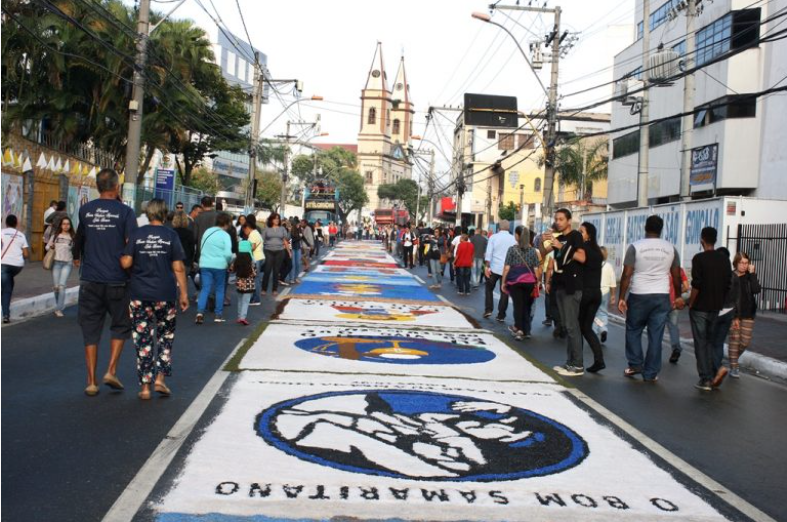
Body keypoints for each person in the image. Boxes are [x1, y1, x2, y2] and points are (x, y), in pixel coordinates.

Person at [72, 168, 137, 396]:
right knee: (120, 325)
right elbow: (132, 243)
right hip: (118, 279)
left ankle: (91, 381)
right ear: (116, 187)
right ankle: (111, 370)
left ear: (98, 186)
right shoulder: (126, 212)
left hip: (90, 279)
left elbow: (80, 238)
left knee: (90, 328)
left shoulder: (85, 211)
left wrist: (77, 256)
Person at [120, 199, 188, 400]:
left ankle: (145, 388)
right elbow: (178, 267)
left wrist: (121, 255)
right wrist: (183, 293)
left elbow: (126, 263)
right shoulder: (170, 235)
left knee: (143, 340)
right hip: (165, 294)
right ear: (165, 213)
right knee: (165, 337)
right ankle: (160, 379)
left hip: (139, 295)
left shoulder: (137, 235)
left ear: (148, 214)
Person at [617, 215, 682, 383]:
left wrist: (621, 298)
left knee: (633, 329)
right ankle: (651, 372)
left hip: (639, 294)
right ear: (661, 229)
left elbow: (626, 275)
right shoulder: (671, 249)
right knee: (656, 335)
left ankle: (635, 364)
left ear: (645, 227)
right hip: (662, 295)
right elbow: (676, 277)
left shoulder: (635, 247)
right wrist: (679, 296)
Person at [541, 209, 586, 377]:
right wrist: (543, 241)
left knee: (572, 326)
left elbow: (582, 258)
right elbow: (543, 254)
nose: (558, 222)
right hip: (559, 285)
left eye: (561, 219)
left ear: (568, 220)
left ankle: (578, 364)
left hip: (572, 286)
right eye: (556, 219)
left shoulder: (575, 236)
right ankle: (570, 362)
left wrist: (561, 246)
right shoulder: (558, 238)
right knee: (567, 325)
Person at [688, 227, 732, 391]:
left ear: (702, 240)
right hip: (716, 307)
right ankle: (716, 369)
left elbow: (696, 284)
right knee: (712, 342)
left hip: (700, 307)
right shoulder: (724, 260)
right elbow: (728, 283)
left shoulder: (698, 259)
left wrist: (691, 302)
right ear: (715, 239)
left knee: (701, 343)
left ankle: (706, 378)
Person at [501, 226, 541, 340]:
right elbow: (536, 269)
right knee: (527, 306)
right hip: (529, 282)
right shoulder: (533, 251)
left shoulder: (512, 250)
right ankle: (526, 330)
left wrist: (504, 282)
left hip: (515, 282)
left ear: (518, 236)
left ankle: (519, 329)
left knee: (518, 305)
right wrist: (537, 283)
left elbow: (507, 267)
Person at [195, 212, 233, 324]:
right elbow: (228, 254)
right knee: (220, 289)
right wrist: (229, 262)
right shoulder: (225, 235)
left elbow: (201, 247)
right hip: (220, 265)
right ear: (226, 223)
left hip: (205, 264)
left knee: (205, 288)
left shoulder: (207, 231)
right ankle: (218, 314)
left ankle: (200, 312)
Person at [577, 223, 605, 373]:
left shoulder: (583, 250)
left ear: (589, 235)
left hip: (585, 292)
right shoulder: (598, 251)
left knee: (577, 326)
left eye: (581, 232)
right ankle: (599, 360)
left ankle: (577, 360)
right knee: (587, 328)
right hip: (596, 293)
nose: (579, 233)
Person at [728, 252, 760, 378]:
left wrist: (752, 274)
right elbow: (729, 297)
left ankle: (733, 359)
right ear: (736, 263)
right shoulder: (730, 276)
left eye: (746, 263)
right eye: (741, 262)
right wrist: (734, 316)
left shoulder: (749, 276)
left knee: (745, 342)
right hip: (734, 313)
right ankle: (734, 367)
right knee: (735, 340)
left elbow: (756, 290)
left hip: (748, 313)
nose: (744, 265)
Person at [484, 220, 517, 321]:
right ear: (508, 228)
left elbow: (489, 253)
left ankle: (489, 309)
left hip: (494, 268)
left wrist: (486, 267)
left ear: (499, 228)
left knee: (489, 288)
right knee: (504, 291)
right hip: (508, 269)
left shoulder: (493, 237)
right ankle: (501, 315)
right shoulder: (513, 239)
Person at [1, 215, 30, 323]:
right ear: (16, 223)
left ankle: (6, 315)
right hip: (17, 266)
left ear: (6, 223)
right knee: (8, 281)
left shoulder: (2, 232)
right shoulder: (21, 235)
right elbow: (26, 254)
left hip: (3, 264)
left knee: (6, 290)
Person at [46, 216, 75, 317]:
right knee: (56, 287)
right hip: (56, 264)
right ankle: (59, 305)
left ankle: (59, 308)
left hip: (67, 263)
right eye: (64, 224)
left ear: (70, 225)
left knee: (62, 286)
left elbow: (76, 250)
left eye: (68, 224)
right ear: (61, 225)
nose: (66, 226)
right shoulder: (55, 236)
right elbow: (47, 247)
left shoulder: (73, 237)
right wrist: (51, 246)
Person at [593, 247, 617, 343]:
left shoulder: (592, 265)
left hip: (593, 292)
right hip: (605, 293)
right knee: (602, 312)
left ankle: (594, 332)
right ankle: (603, 329)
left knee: (592, 313)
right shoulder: (609, 266)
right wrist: (613, 295)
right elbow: (613, 283)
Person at [666, 265, 690, 363]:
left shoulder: (661, 268)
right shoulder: (679, 269)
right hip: (675, 302)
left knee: (656, 327)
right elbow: (686, 286)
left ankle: (655, 351)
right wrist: (677, 294)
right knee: (673, 326)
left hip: (661, 302)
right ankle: (676, 348)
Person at [261, 213, 288, 296]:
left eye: (278, 218)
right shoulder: (266, 229)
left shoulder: (282, 228)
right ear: (271, 219)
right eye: (275, 218)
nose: (276, 220)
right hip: (268, 250)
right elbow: (262, 240)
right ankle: (264, 289)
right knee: (267, 270)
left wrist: (289, 252)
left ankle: (274, 289)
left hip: (280, 251)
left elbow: (285, 240)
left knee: (276, 271)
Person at [233, 240, 256, 326]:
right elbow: (254, 270)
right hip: (248, 283)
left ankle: (239, 317)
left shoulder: (237, 258)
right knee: (246, 301)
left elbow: (233, 269)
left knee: (240, 300)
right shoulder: (251, 258)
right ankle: (243, 317)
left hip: (239, 282)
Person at [172, 210, 196, 292]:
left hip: (173, 261)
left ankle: (173, 300)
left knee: (172, 282)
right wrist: (192, 261)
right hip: (186, 261)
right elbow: (192, 249)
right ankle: (183, 297)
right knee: (183, 282)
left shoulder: (171, 232)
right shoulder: (189, 233)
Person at [244, 216, 264, 305]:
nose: (245, 232)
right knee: (256, 279)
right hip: (259, 257)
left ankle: (256, 299)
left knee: (255, 279)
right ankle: (255, 298)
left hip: (256, 258)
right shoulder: (256, 232)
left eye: (245, 229)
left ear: (248, 227)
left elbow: (252, 247)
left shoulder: (253, 234)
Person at [288, 217, 303, 284]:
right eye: (298, 224)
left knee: (298, 264)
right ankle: (291, 278)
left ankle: (296, 277)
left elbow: (302, 238)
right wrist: (289, 250)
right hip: (292, 249)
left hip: (298, 248)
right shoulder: (291, 231)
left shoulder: (300, 230)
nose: (299, 225)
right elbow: (290, 241)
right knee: (292, 264)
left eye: (299, 224)